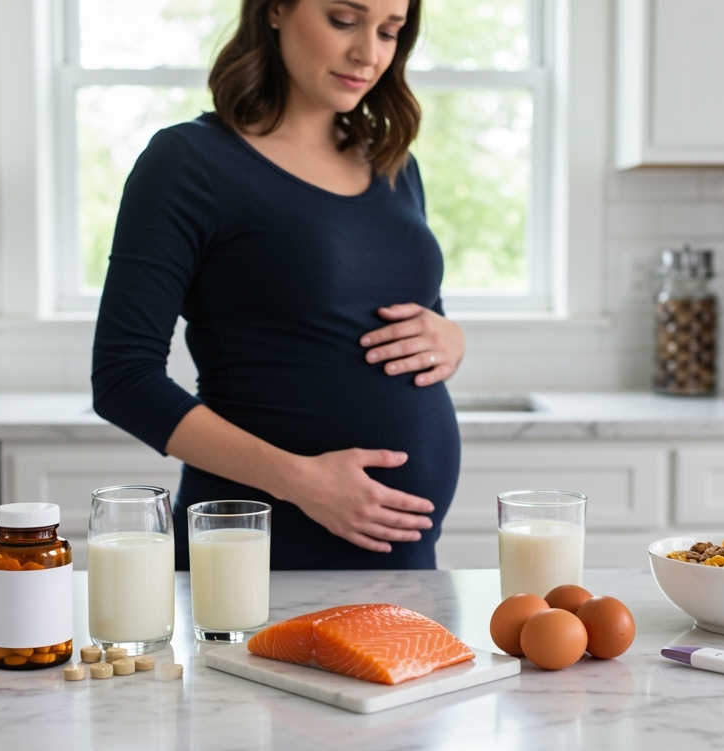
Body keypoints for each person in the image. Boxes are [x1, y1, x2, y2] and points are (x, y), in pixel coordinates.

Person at [91, 0, 464, 570]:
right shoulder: (190, 162)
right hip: (259, 549)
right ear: (274, 10)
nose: (369, 53)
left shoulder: (392, 164)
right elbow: (123, 379)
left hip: (402, 554)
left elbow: (412, 321)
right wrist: (302, 481)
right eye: (344, 20)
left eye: (390, 31)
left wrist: (450, 337)